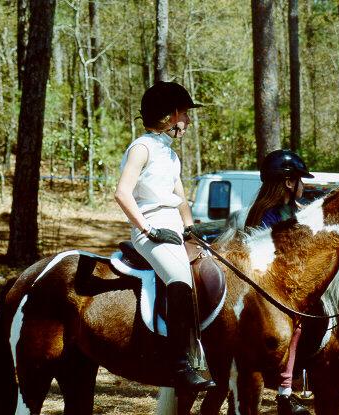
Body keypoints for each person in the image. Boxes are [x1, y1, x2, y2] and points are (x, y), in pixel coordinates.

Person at [114, 81, 215, 392]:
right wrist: (148, 229)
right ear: (172, 115)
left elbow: (180, 198)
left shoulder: (170, 155)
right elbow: (121, 193)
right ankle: (177, 364)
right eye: (185, 114)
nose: (188, 120)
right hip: (151, 228)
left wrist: (191, 230)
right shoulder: (141, 148)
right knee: (179, 280)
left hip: (173, 228)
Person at [245, 149, 313, 415]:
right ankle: (286, 390)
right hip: (267, 287)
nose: (303, 185)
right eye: (300, 180)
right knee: (296, 326)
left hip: (287, 283)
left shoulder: (290, 211)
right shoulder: (268, 215)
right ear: (288, 182)